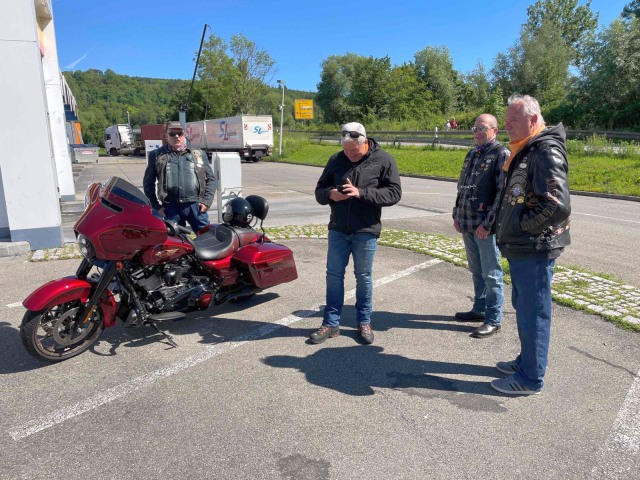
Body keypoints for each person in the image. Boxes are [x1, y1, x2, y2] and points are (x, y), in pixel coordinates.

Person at [491, 94, 571, 395]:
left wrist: (521, 227)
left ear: (533, 120)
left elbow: (556, 206)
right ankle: (527, 362)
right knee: (524, 309)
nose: (507, 125)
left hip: (534, 247)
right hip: (524, 247)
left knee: (533, 313)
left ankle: (530, 378)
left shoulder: (545, 151)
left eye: (513, 120)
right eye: (506, 120)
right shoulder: (527, 148)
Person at [312, 122, 402, 345]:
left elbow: (394, 193)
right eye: (346, 150)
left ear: (365, 142)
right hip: (338, 229)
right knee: (334, 276)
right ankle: (331, 323)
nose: (350, 155)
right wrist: (330, 195)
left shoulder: (383, 159)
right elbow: (319, 191)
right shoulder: (336, 159)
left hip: (365, 229)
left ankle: (364, 322)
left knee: (363, 277)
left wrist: (360, 193)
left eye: (354, 151)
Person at [453, 114, 508, 338]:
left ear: (494, 130)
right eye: (475, 128)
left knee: (491, 274)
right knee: (477, 270)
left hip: (485, 227)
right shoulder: (472, 153)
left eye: (482, 128)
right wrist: (457, 214)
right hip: (467, 223)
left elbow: (502, 194)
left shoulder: (501, 154)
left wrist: (488, 224)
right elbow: (462, 186)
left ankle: (493, 319)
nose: (477, 132)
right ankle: (480, 308)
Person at [143, 121, 216, 233]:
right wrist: (156, 206)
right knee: (175, 241)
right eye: (172, 133)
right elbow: (148, 183)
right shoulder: (157, 155)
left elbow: (211, 179)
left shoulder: (198, 154)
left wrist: (207, 201)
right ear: (166, 135)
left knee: (206, 237)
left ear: (184, 134)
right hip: (171, 208)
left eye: (179, 133)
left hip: (196, 206)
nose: (176, 136)